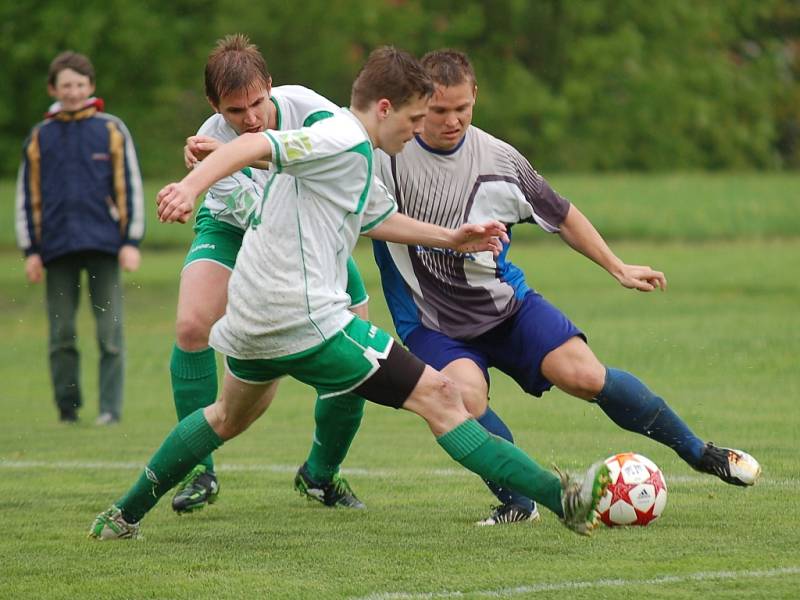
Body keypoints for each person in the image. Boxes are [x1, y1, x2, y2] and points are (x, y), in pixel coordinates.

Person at [89, 46, 612, 541]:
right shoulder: (339, 136)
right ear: (384, 108)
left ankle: (123, 514)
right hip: (302, 315)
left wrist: (451, 237)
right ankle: (559, 496)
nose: (416, 132)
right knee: (443, 398)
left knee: (225, 416)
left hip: (253, 315)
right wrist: (190, 187)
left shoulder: (352, 151)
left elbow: (377, 217)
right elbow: (253, 143)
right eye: (412, 120)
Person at [367, 49, 761, 521]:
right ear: (417, 104)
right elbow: (363, 217)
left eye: (462, 110)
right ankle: (518, 501)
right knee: (461, 399)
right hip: (431, 325)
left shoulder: (499, 159)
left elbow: (562, 215)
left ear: (475, 98)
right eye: (438, 111)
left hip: (506, 307)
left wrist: (617, 266)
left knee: (586, 375)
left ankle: (700, 452)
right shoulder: (385, 158)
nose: (452, 121)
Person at [168, 34, 369, 514]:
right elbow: (256, 213)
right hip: (236, 228)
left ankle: (321, 474)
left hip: (311, 234)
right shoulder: (208, 139)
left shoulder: (310, 109)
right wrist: (204, 173)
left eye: (258, 102)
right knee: (192, 325)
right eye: (236, 112)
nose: (252, 118)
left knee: (361, 350)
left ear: (271, 86)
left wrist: (235, 153)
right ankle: (199, 471)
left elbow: (332, 174)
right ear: (215, 106)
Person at [15, 51, 144, 425]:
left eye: (80, 84)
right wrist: (31, 251)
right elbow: (27, 195)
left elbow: (129, 185)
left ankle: (110, 411)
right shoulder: (40, 136)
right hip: (55, 249)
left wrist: (130, 241)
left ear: (91, 87)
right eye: (66, 85)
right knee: (63, 334)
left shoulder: (111, 129)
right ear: (53, 89)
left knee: (109, 334)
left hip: (105, 245)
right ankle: (67, 409)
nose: (73, 92)